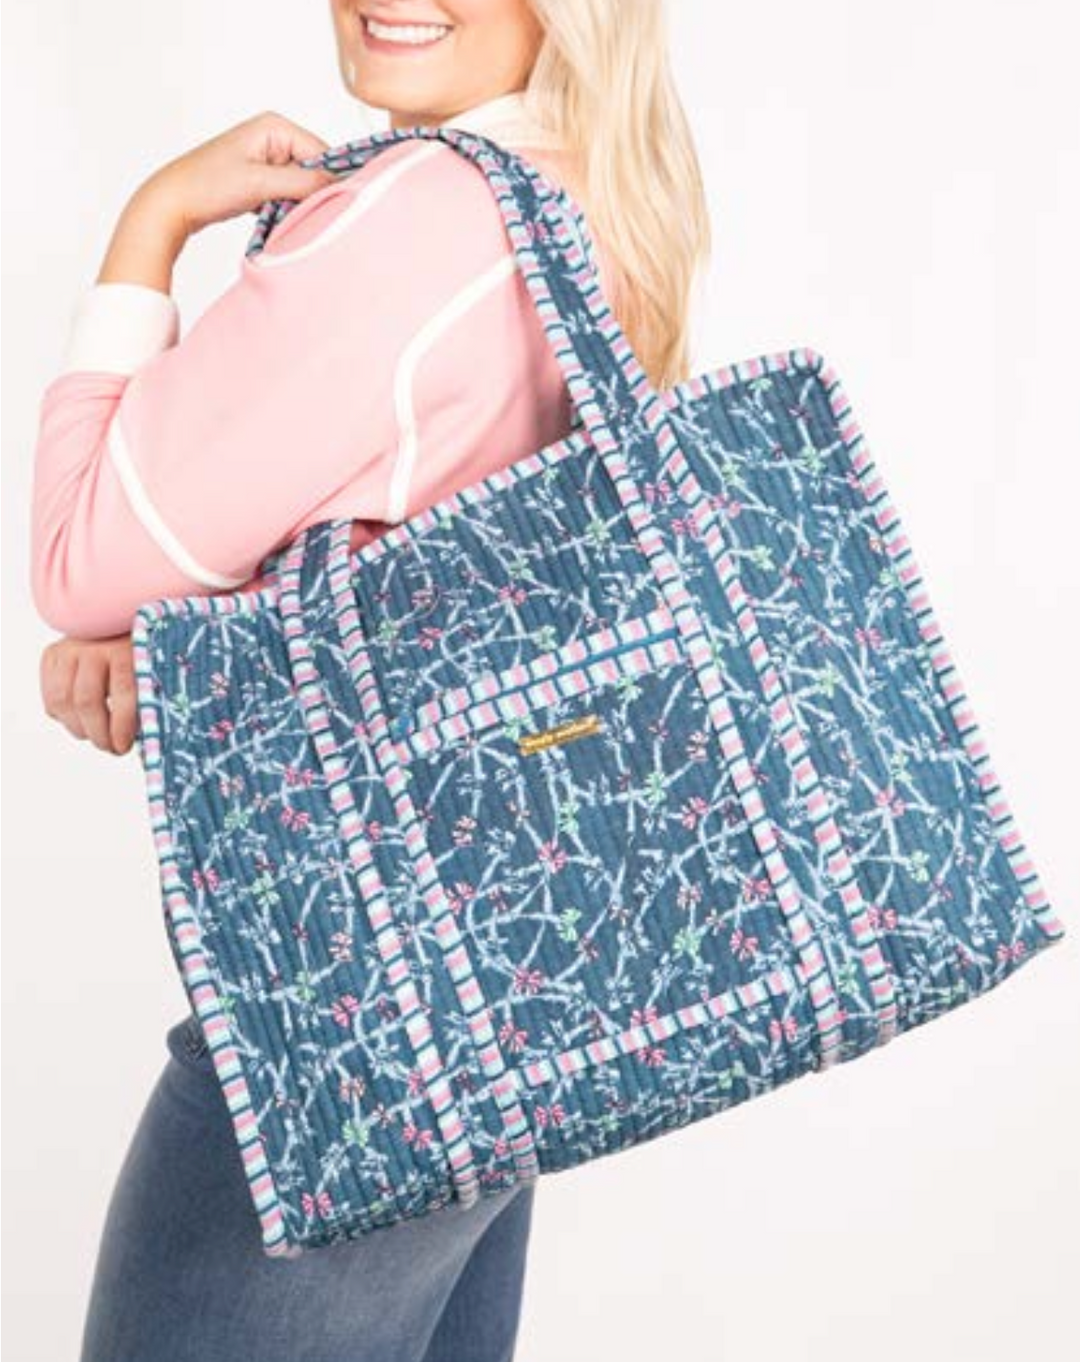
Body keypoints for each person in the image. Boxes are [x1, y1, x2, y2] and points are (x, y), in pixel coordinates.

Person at [29, 2, 711, 1358]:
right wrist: (181, 623)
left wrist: (151, 221)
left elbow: (77, 556)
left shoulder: (421, 218)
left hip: (343, 1015)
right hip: (502, 991)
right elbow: (422, 565)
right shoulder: (587, 197)